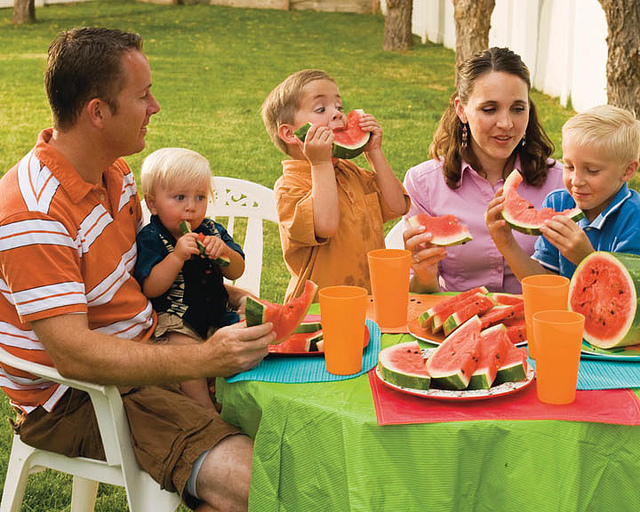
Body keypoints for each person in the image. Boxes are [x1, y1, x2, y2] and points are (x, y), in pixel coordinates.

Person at [0, 27, 274, 511]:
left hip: (148, 352)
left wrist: (225, 297)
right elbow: (75, 357)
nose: (156, 107)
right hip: (76, 397)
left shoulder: (118, 174)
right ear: (98, 113)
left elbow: (138, 278)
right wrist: (203, 359)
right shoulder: (34, 212)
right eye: (143, 95)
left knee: (291, 441)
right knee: (263, 483)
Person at [402, 47, 565, 294]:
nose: (506, 124)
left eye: (518, 109)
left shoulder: (560, 181)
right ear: (461, 109)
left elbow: (570, 284)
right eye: (489, 109)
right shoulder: (423, 183)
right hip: (457, 324)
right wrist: (423, 273)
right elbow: (420, 295)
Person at [261, 68, 410, 301]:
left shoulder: (350, 172)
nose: (337, 115)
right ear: (290, 134)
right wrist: (320, 164)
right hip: (318, 309)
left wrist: (374, 153)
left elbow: (397, 205)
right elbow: (326, 225)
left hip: (370, 300)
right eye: (321, 109)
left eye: (338, 107)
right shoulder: (289, 187)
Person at [135, 147, 249, 410]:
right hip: (176, 321)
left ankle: (236, 401)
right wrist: (175, 258)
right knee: (185, 354)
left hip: (217, 314)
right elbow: (150, 287)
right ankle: (204, 409)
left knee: (247, 341)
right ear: (153, 203)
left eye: (200, 197)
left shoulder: (211, 230)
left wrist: (225, 254)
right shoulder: (152, 238)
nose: (191, 207)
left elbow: (237, 270)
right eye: (179, 198)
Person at [485, 104, 640, 280]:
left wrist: (587, 259)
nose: (576, 180)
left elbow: (627, 295)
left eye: (592, 170)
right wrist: (506, 243)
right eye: (569, 166)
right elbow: (543, 282)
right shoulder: (557, 203)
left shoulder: (634, 219)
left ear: (628, 171)